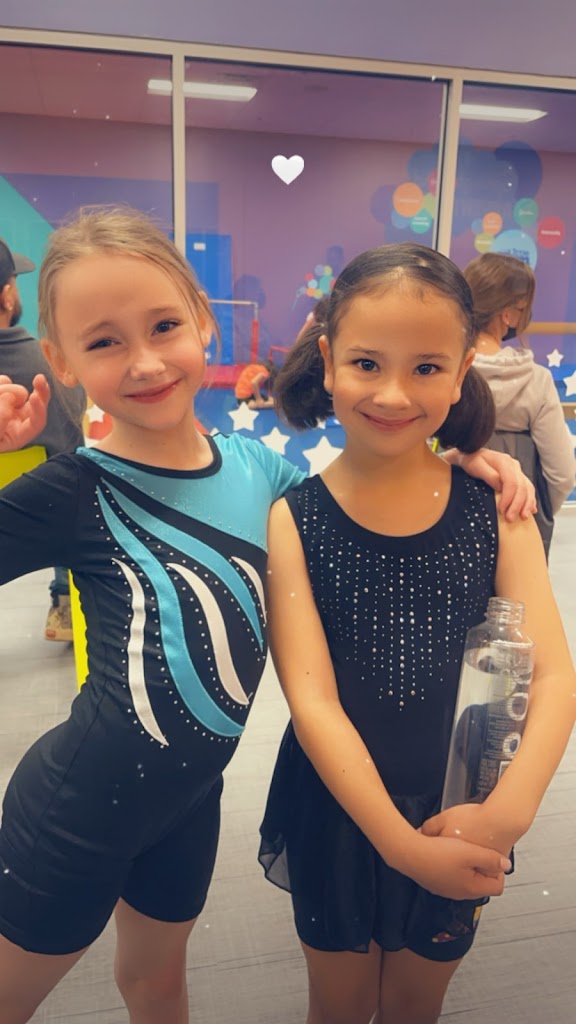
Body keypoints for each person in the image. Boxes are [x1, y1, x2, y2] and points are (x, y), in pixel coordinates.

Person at [0, 208, 534, 1024]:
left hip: (190, 804)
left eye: (164, 325)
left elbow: (363, 495)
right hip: (76, 810)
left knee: (155, 984)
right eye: (104, 341)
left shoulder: (259, 470)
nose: (145, 361)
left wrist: (462, 454)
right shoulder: (75, 488)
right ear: (61, 360)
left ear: (203, 324)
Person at [258, 243, 575, 1024]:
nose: (394, 393)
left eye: (427, 367)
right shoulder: (294, 519)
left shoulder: (495, 510)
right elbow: (312, 703)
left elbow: (555, 675)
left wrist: (509, 812)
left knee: (414, 1005)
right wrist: (401, 848)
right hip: (337, 808)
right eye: (367, 363)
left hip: (464, 803)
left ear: (463, 369)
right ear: (329, 361)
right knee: (337, 1007)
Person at [0, 239, 86, 640]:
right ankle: (65, 600)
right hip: (42, 513)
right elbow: (73, 445)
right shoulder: (47, 365)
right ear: (7, 295)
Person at [464, 252, 575, 558]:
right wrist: (534, 508)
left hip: (447, 518)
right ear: (509, 314)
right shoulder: (536, 380)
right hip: (517, 522)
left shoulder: (444, 372)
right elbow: (562, 473)